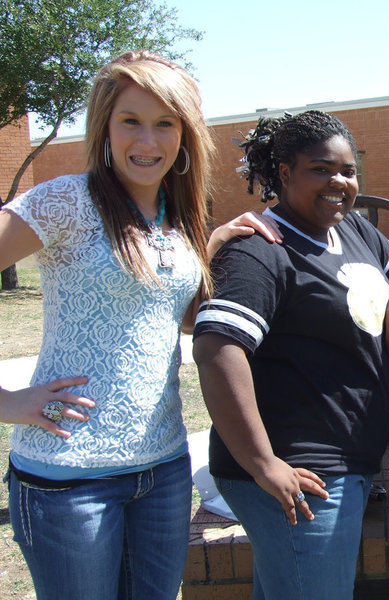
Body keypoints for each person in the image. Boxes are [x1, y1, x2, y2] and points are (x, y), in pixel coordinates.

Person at [0, 50, 280, 600]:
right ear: (105, 125)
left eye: (164, 124)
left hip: (163, 469)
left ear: (185, 134)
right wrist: (6, 402)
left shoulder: (178, 219)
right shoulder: (66, 201)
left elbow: (160, 315)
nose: (147, 142)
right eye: (131, 121)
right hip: (68, 479)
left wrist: (214, 245)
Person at [192, 110, 389, 600]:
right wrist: (263, 464)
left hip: (348, 461)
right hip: (301, 474)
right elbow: (217, 350)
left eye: (348, 169)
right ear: (285, 173)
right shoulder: (261, 250)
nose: (339, 182)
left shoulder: (352, 231)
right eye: (321, 169)